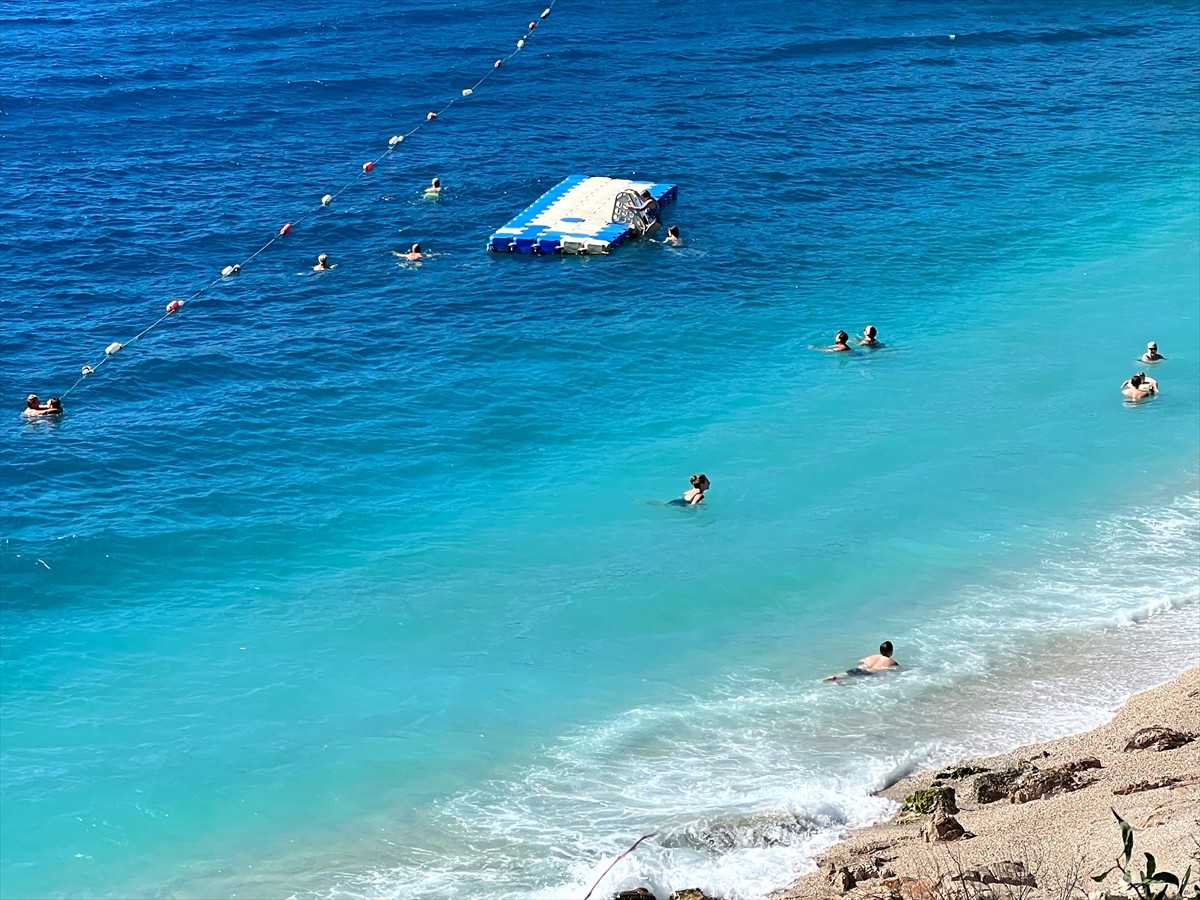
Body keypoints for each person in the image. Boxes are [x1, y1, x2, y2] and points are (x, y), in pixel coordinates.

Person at [823, 641, 900, 682]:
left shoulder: (871, 657)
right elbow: (898, 670)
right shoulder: (891, 661)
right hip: (869, 673)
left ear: (880, 650)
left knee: (847, 674)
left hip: (859, 668)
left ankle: (836, 677)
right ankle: (838, 679)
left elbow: (861, 661)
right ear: (891, 652)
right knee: (852, 679)